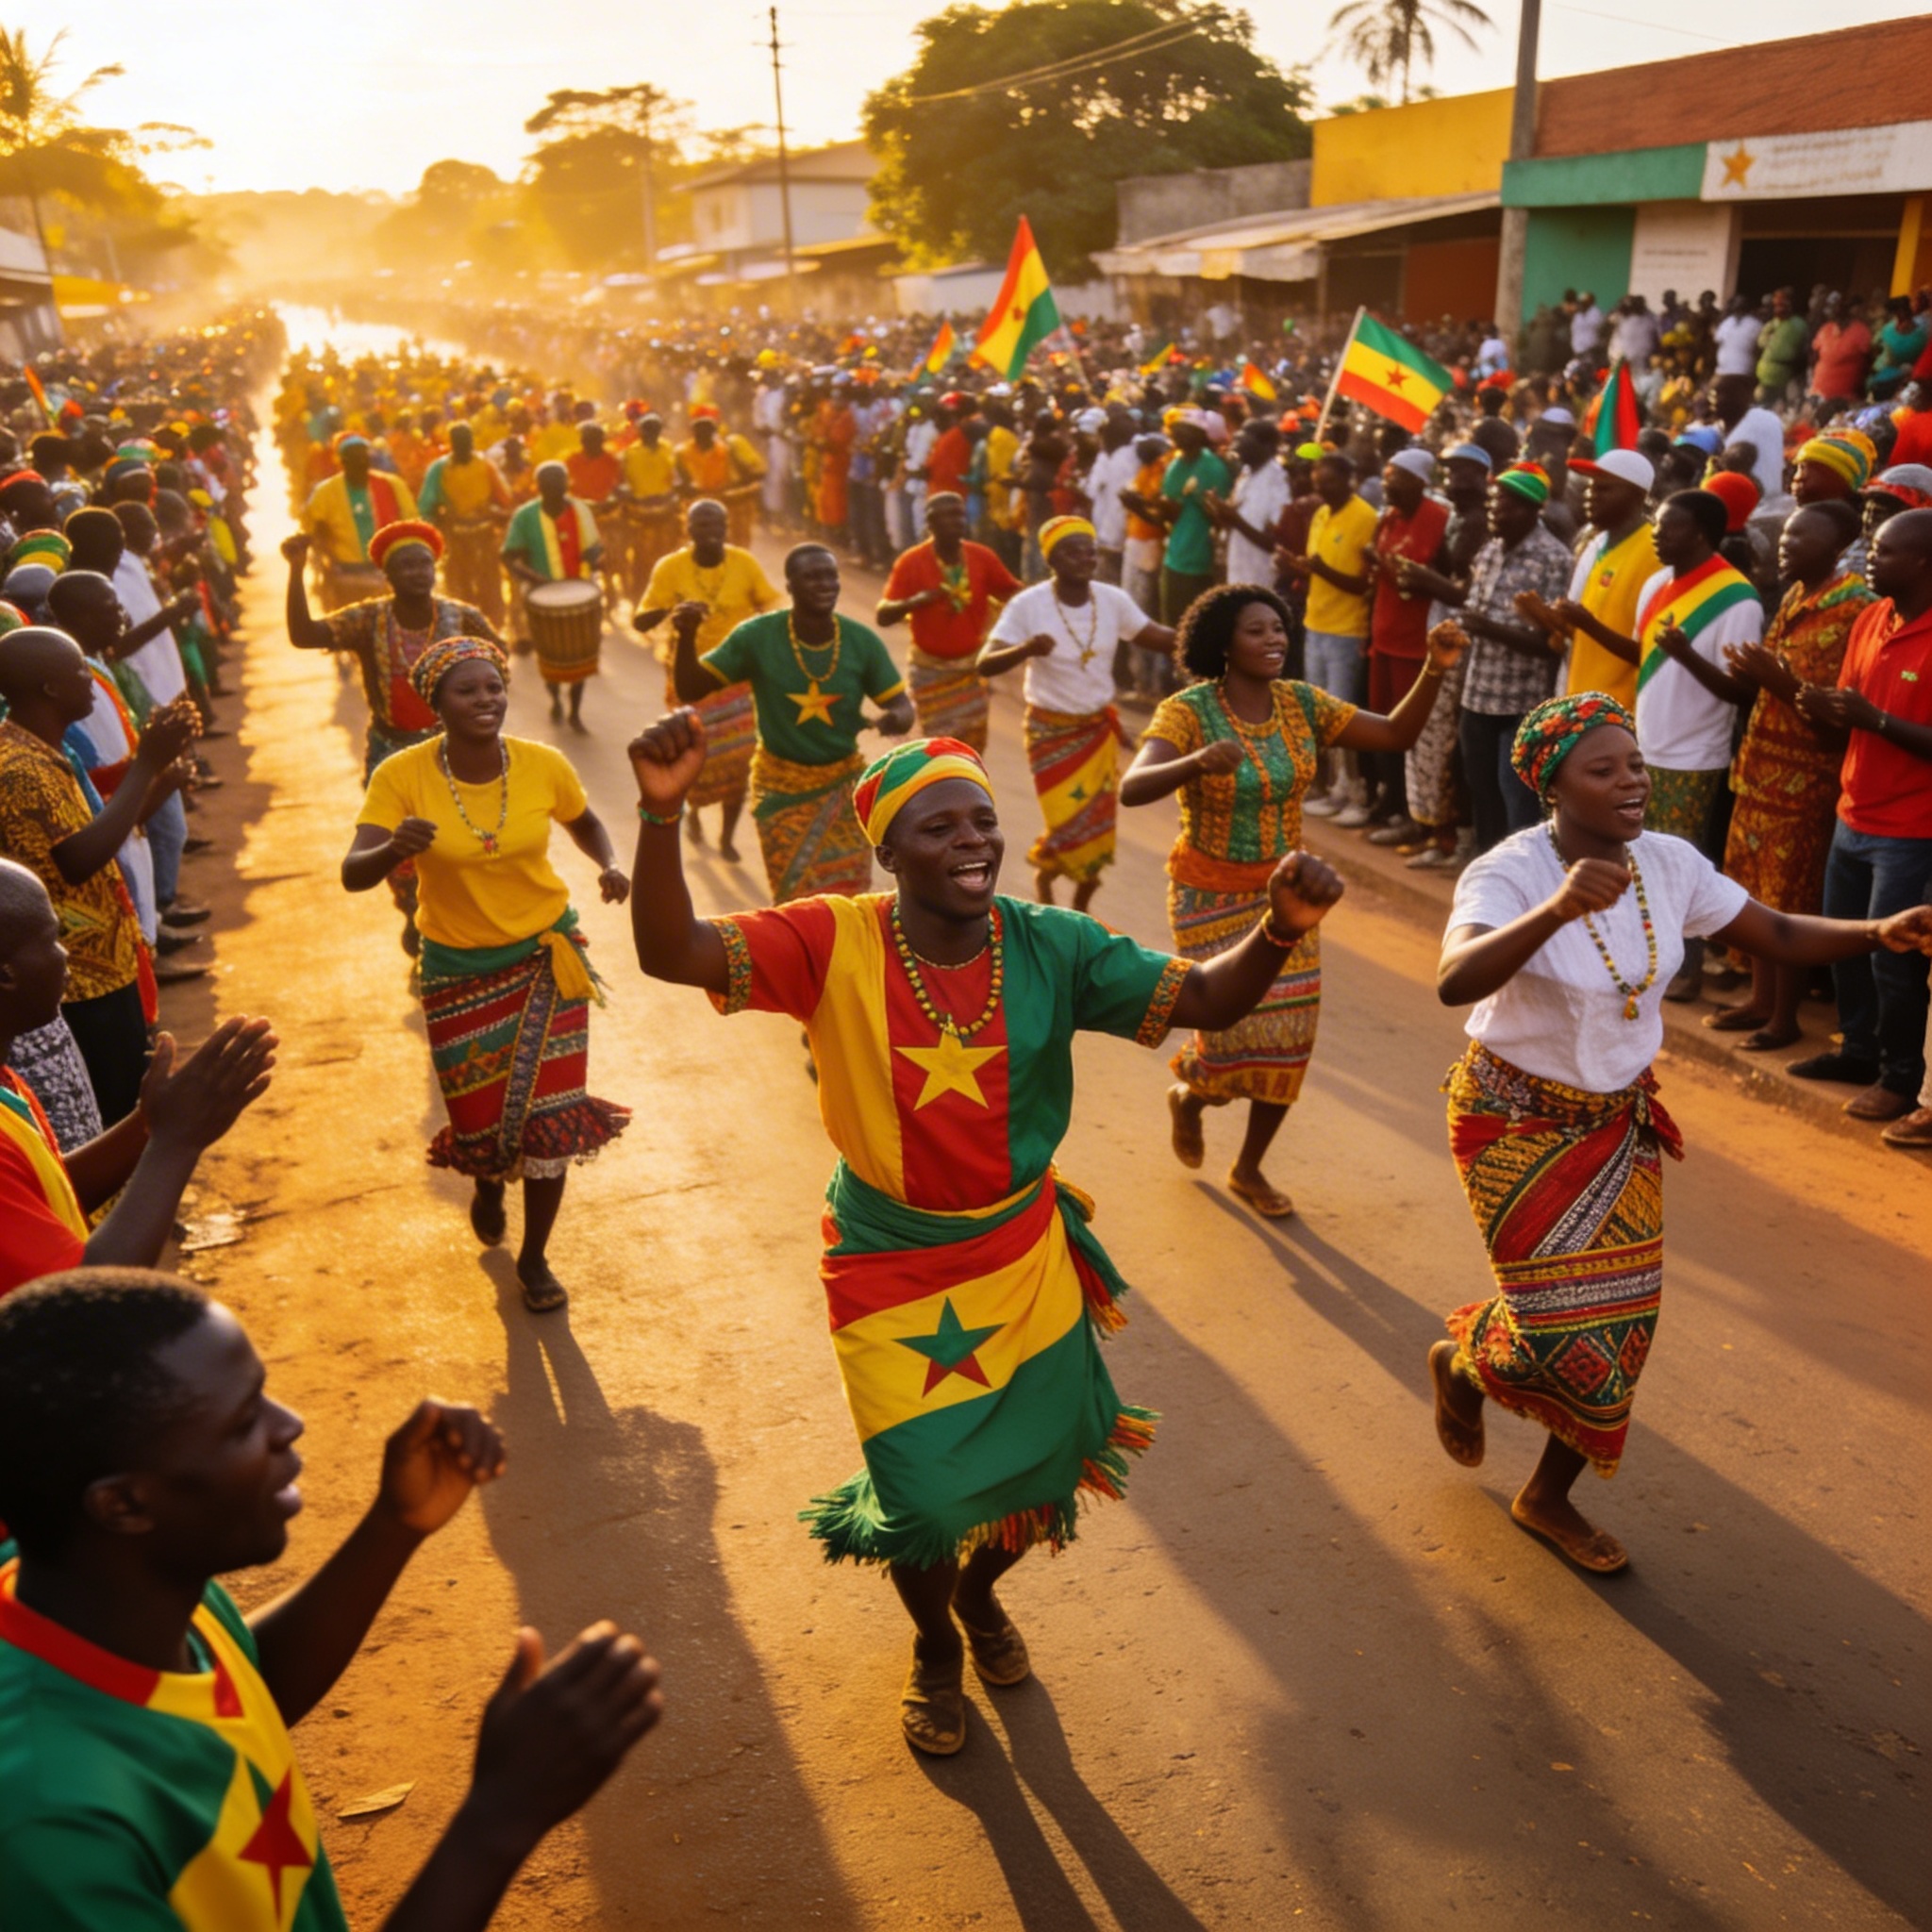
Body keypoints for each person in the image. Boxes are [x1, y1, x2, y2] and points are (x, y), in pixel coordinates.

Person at [625, 719, 1344, 1753]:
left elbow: (1206, 997)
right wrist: (658, 810)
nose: (972, 840)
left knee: (1038, 1472)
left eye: (983, 819)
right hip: (888, 1260)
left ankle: (978, 1595)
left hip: (1019, 1252)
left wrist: (1278, 927)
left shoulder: (1052, 941)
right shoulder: (830, 937)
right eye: (937, 825)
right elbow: (666, 949)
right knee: (920, 1492)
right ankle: (933, 1644)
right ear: (887, 849)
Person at [1430, 693, 1932, 1573]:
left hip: (1618, 1123)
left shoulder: (1668, 863)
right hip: (1511, 1116)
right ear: (1554, 786)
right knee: (1555, 1326)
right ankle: (1467, 1364)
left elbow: (1772, 930)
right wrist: (1552, 910)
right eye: (1605, 770)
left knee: (1620, 1329)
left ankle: (1548, 1494)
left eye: (1635, 764)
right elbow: (1455, 979)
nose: (1633, 783)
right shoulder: (1508, 871)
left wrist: (1876, 931)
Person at [0, 1270, 664, 1927]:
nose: (289, 1424)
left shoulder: (93, 1590)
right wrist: (499, 1819)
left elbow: (237, 1695)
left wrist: (394, 1525)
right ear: (122, 1504)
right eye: (241, 1424)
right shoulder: (55, 1835)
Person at [1122, 585, 1465, 1216]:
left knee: (1289, 1035)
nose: (1275, 639)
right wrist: (1193, 763)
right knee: (1227, 1032)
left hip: (1288, 895)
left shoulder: (1300, 703)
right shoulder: (1188, 711)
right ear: (1223, 642)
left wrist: (1434, 669)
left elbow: (1393, 734)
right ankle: (1192, 1096)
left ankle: (1249, 1168)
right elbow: (1133, 786)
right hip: (1208, 892)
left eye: (1280, 628)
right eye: (1258, 630)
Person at [341, 638, 630, 1311]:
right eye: (468, 691)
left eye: (494, 687)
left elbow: (586, 822)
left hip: (545, 959)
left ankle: (534, 1259)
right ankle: (488, 1179)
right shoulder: (402, 775)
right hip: (456, 971)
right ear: (436, 703)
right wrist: (393, 848)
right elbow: (353, 873)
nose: (486, 701)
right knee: (481, 1127)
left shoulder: (541, 764)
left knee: (551, 1122)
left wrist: (608, 862)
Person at [0, 861, 275, 1294]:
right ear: (5, 974)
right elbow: (78, 1298)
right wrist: (175, 1143)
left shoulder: (6, 1082)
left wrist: (149, 1122)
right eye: (53, 938)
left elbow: (45, 1192)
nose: (66, 953)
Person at [0, 626, 199, 1123]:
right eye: (77, 670)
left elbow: (96, 834)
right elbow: (77, 860)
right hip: (78, 982)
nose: (90, 678)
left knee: (125, 1094)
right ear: (48, 688)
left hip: (103, 964)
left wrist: (156, 775)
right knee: (113, 1114)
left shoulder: (44, 750)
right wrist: (147, 761)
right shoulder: (18, 767)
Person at [1709, 501, 1872, 1048]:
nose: (1785, 544)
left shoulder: (1855, 609)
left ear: (1835, 547)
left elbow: (1833, 713)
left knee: (1788, 899)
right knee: (1752, 890)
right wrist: (1755, 672)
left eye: (1799, 538)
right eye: (1784, 536)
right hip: (1759, 770)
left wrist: (1774, 680)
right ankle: (1758, 1001)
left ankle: (1784, 1017)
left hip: (1805, 780)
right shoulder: (1797, 597)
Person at [669, 542, 913, 905]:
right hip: (780, 791)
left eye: (831, 575)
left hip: (843, 792)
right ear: (790, 586)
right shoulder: (757, 637)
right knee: (796, 903)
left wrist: (894, 718)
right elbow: (691, 688)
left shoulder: (861, 642)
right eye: (812, 577)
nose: (825, 584)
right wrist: (686, 636)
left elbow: (901, 705)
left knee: (848, 901)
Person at [1788, 508, 1932, 1119]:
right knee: (1843, 942)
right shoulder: (1872, 617)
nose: (1870, 558)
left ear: (1924, 562)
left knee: (1892, 959)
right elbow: (1848, 718)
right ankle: (1857, 1049)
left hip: (1910, 830)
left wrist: (1872, 719)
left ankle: (1901, 1079)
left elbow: (1881, 721)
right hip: (1854, 811)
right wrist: (1815, 705)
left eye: (1885, 550)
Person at [977, 517, 1173, 910]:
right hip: (1050, 734)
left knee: (1097, 833)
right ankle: (1047, 888)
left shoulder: (1111, 600)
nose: (1085, 558)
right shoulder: (1028, 605)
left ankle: (1079, 909)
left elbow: (1156, 637)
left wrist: (1215, 637)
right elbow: (986, 662)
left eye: (1090, 550)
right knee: (1068, 828)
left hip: (1096, 733)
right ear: (1052, 559)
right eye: (1073, 551)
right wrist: (1026, 649)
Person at [631, 498, 781, 861]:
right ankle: (695, 812)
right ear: (688, 528)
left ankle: (727, 836)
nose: (710, 533)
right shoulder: (671, 568)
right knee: (695, 757)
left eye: (717, 525)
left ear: (727, 528)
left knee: (740, 759)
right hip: (687, 679)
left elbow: (772, 608)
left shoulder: (743, 563)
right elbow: (641, 621)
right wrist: (674, 610)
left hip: (736, 680)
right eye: (702, 526)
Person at [1441, 464, 1573, 853]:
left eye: (1506, 506)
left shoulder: (1554, 559)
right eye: (1495, 504)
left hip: (1522, 699)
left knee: (1516, 798)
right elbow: (1473, 611)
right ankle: (1486, 869)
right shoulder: (1491, 548)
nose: (1496, 513)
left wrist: (1487, 627)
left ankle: (1522, 878)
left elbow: (1553, 642)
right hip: (1478, 691)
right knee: (1481, 789)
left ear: (1532, 510)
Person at [877, 491, 1020, 754]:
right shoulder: (911, 562)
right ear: (930, 523)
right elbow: (883, 615)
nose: (958, 521)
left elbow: (1015, 595)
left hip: (970, 674)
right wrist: (914, 601)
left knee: (971, 749)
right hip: (929, 674)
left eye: (960, 514)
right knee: (935, 752)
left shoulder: (982, 557)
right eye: (949, 516)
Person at [1274, 452, 1376, 815]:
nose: (1322, 488)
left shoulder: (1365, 518)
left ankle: (1355, 795)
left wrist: (1322, 570)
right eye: (1318, 483)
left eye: (1330, 482)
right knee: (1318, 716)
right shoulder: (1319, 513)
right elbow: (1318, 567)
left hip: (1347, 631)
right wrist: (1298, 566)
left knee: (1343, 718)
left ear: (1349, 480)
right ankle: (1332, 787)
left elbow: (1365, 584)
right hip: (1315, 624)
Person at [1357, 446, 1450, 836]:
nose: (1386, 484)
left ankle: (1416, 815)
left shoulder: (1439, 519)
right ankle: (1390, 798)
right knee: (1381, 723)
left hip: (1417, 642)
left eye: (1395, 478)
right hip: (1384, 635)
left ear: (1418, 482)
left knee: (1411, 729)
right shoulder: (1388, 518)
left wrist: (1386, 567)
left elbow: (1428, 575)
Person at [1530, 448, 1661, 714]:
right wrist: (1550, 620)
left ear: (1637, 495)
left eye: (1604, 489)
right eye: (1590, 487)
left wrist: (1585, 623)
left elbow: (1651, 652)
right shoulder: (1595, 544)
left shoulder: (1655, 552)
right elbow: (1576, 633)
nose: (1590, 495)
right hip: (1578, 702)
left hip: (1618, 713)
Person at [501, 460, 604, 731]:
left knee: (580, 659)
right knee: (549, 656)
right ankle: (556, 699)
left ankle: (575, 712)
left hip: (579, 593)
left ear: (566, 483)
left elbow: (593, 549)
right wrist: (534, 579)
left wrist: (597, 559)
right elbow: (509, 555)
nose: (555, 489)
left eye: (560, 483)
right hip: (540, 596)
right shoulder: (525, 516)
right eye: (549, 485)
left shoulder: (580, 510)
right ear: (540, 487)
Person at [302, 435, 416, 612]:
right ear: (343, 462)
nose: (361, 463)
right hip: (347, 573)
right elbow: (312, 526)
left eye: (364, 458)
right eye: (354, 459)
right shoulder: (325, 492)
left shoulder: (392, 485)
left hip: (389, 571)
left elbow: (411, 520)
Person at [417, 424, 512, 628]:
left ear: (472, 443)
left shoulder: (485, 465)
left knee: (491, 585)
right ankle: (462, 629)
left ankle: (493, 628)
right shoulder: (439, 469)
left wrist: (496, 512)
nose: (463, 448)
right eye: (459, 444)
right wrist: (438, 525)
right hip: (455, 536)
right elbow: (426, 506)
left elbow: (505, 498)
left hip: (485, 535)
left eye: (466, 444)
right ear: (451, 445)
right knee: (458, 587)